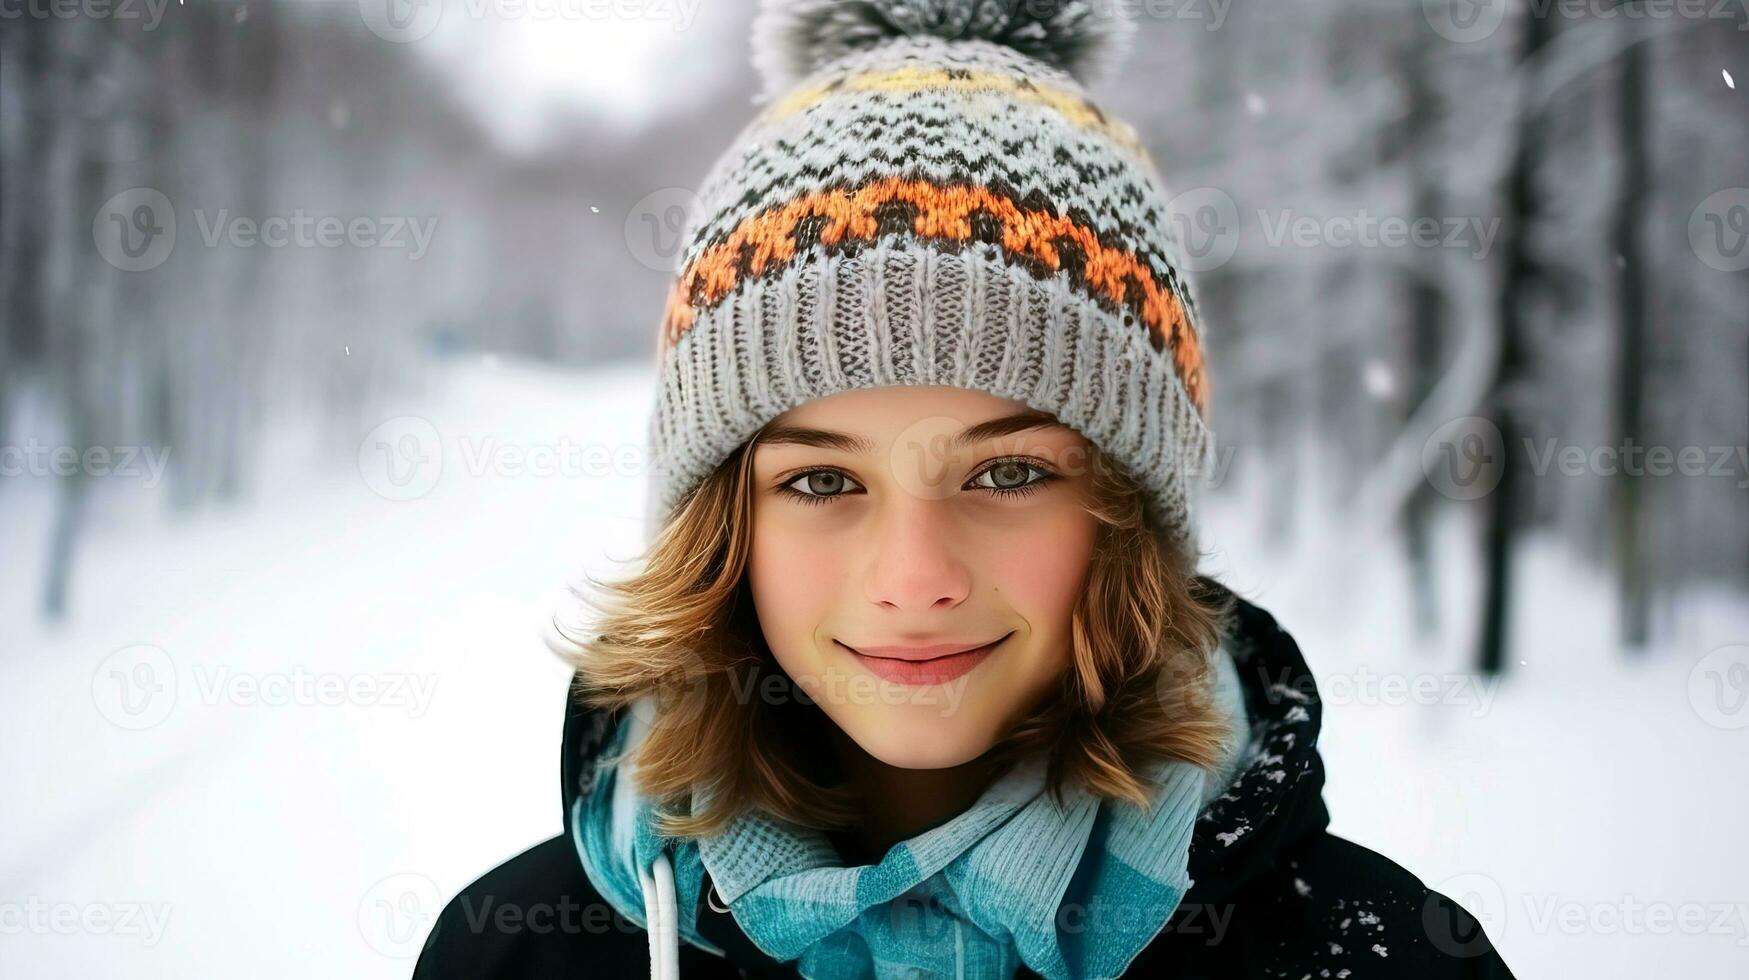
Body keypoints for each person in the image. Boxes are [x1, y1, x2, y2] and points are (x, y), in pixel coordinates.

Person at [414, 2, 1516, 977]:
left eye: (1009, 471)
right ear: (722, 525)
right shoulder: (513, 951)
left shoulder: (1388, 956)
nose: (915, 576)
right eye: (821, 478)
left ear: (1130, 513)